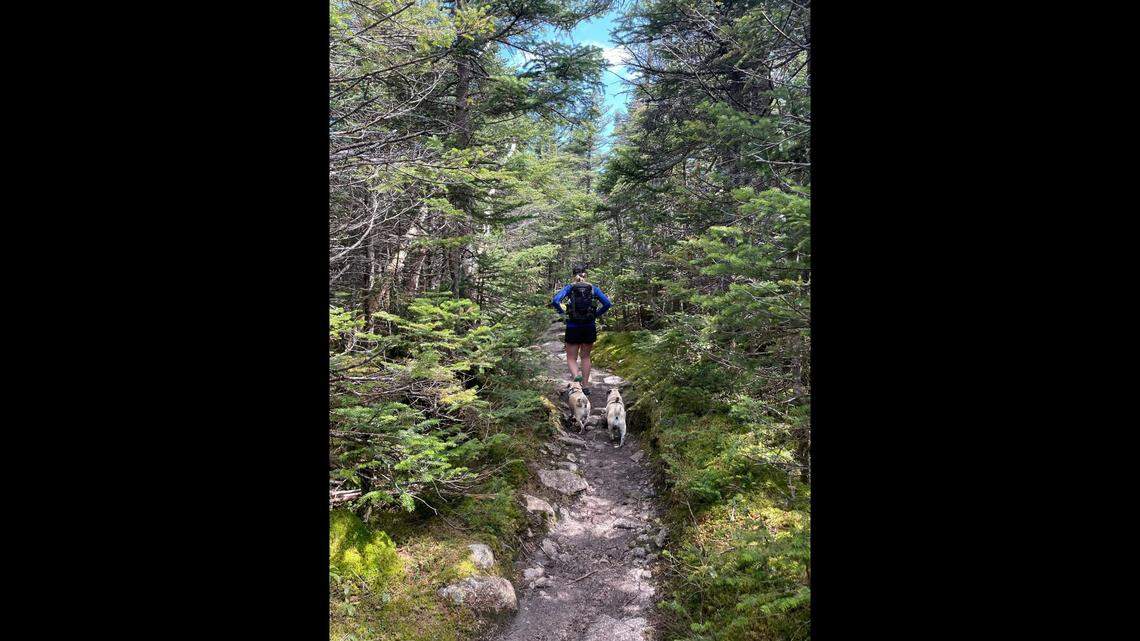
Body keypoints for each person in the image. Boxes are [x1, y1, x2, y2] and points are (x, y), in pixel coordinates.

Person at [551, 264, 613, 386]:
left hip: (573, 326)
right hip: (589, 326)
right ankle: (585, 385)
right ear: (586, 275)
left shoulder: (570, 288)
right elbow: (607, 304)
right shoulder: (593, 289)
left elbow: (555, 301)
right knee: (585, 357)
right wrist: (596, 315)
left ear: (573, 276)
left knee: (571, 358)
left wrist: (563, 315)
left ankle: (576, 377)